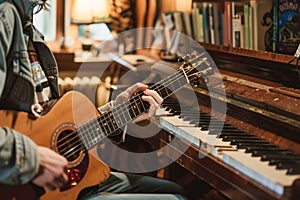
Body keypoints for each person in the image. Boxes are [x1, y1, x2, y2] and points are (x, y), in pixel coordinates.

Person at [0, 0, 187, 199]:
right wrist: (33, 158)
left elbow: (49, 128)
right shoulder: (5, 17)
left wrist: (118, 111)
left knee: (174, 190)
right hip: (19, 183)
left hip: (53, 183)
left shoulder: (29, 29)